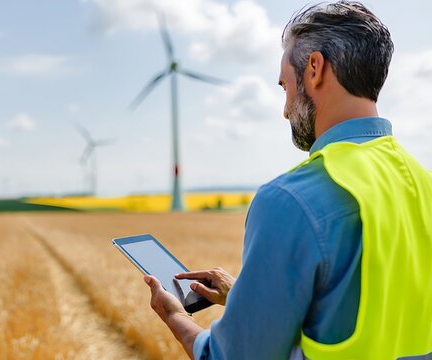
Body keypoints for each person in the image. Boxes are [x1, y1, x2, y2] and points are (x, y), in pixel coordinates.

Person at [143, 1, 432, 359]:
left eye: (284, 86)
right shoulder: (424, 184)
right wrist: (247, 299)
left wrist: (174, 316)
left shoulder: (290, 200)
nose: (284, 110)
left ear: (315, 69)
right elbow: (373, 310)